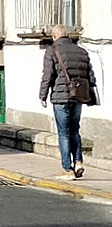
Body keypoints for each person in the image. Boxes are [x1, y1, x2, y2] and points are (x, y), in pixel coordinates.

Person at [40, 24, 98, 179]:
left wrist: (42, 96)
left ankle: (68, 169)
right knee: (74, 130)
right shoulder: (82, 51)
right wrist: (91, 96)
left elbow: (48, 76)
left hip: (60, 98)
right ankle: (78, 162)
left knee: (64, 133)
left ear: (54, 36)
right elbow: (90, 76)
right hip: (78, 96)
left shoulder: (52, 50)